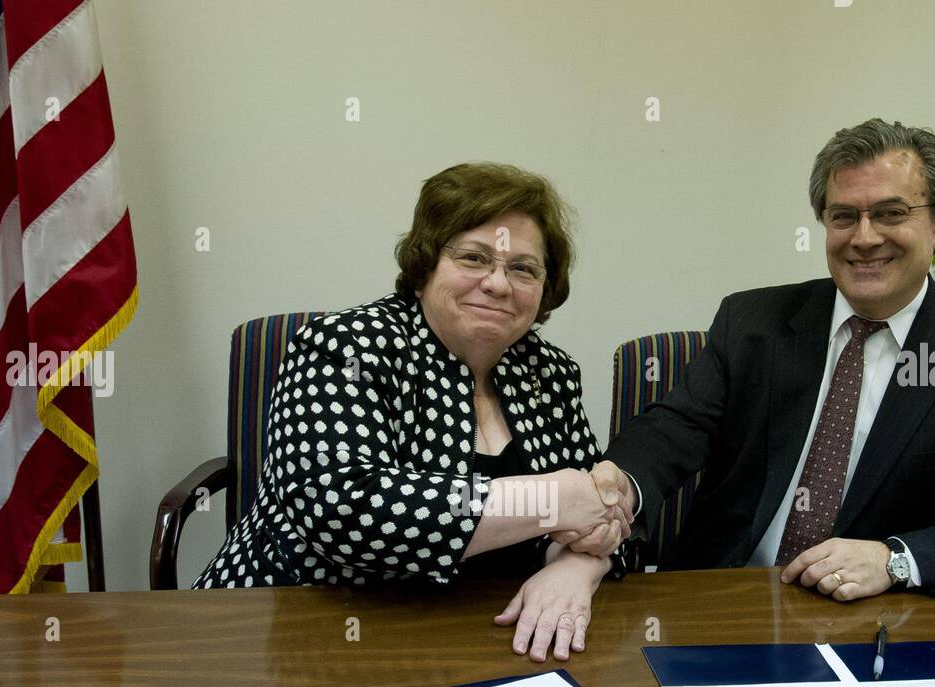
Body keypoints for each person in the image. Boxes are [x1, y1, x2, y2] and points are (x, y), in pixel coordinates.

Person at [559, 118, 935, 603]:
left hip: (881, 621)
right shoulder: (753, 321)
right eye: (844, 216)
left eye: (890, 213)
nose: (864, 237)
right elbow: (675, 427)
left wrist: (895, 561)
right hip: (721, 600)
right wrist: (621, 482)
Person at [195, 162, 631, 660]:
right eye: (473, 257)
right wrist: (552, 497)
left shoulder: (548, 372)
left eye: (522, 268)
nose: (497, 284)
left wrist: (578, 568)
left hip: (488, 632)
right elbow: (343, 509)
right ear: (424, 268)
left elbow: (602, 512)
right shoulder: (347, 348)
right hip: (299, 629)